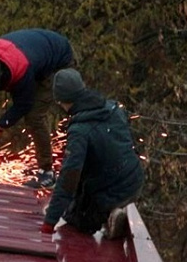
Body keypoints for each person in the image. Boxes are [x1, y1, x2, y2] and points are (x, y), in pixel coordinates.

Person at [40, 68, 144, 240]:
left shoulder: (80, 130)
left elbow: (69, 177)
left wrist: (49, 221)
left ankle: (109, 216)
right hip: (134, 179)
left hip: (110, 191)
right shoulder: (112, 108)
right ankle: (112, 209)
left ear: (61, 100)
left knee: (76, 221)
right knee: (82, 193)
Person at [0, 28, 75, 189]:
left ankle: (47, 172)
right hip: (36, 57)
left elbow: (24, 104)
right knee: (1, 99)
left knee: (34, 117)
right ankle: (40, 163)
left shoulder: (19, 70)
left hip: (59, 60)